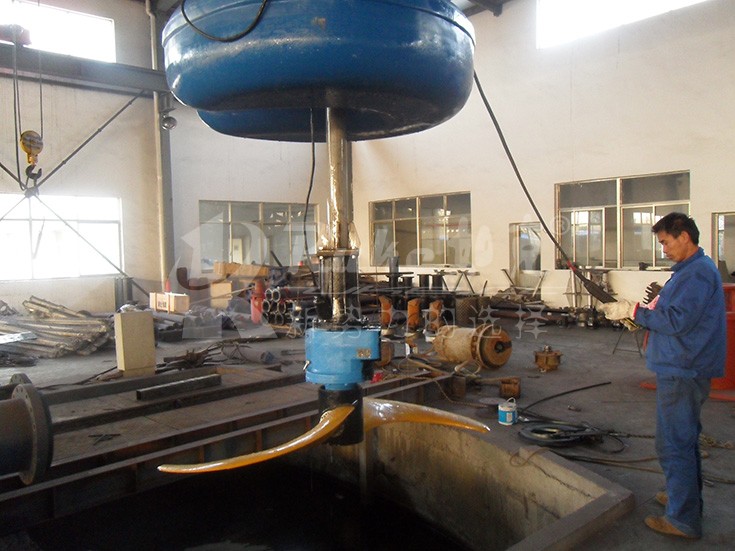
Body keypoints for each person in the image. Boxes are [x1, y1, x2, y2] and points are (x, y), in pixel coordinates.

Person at [598, 212, 725, 540]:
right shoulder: (689, 271)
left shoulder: (696, 274)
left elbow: (677, 321)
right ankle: (683, 496)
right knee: (684, 438)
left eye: (666, 242)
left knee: (674, 442)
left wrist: (633, 311)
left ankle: (683, 519)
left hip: (683, 369)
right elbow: (668, 314)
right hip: (684, 365)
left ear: (684, 236)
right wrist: (638, 317)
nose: (663, 249)